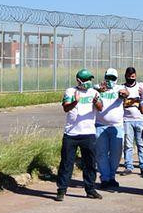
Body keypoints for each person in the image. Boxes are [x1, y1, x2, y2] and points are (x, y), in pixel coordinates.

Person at [55, 69, 104, 201]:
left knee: (90, 163)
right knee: (66, 163)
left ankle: (90, 189)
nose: (88, 82)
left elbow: (100, 108)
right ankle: (61, 190)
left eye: (90, 79)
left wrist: (96, 102)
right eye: (86, 80)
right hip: (71, 134)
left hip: (88, 133)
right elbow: (65, 108)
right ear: (78, 80)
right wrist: (75, 102)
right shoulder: (70, 91)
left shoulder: (94, 92)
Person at [94, 68, 129, 189]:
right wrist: (98, 89)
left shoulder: (119, 88)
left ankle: (112, 176)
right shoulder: (98, 88)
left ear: (117, 79)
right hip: (100, 125)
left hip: (116, 127)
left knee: (116, 153)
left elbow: (125, 92)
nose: (110, 81)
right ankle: (104, 178)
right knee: (101, 154)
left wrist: (124, 94)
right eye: (108, 78)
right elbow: (91, 89)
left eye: (113, 78)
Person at [121, 67, 143, 176]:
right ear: (126, 76)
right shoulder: (122, 88)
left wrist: (139, 97)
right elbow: (123, 103)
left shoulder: (141, 86)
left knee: (141, 144)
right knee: (128, 145)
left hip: (140, 119)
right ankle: (128, 166)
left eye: (132, 77)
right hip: (127, 120)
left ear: (135, 76)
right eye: (129, 77)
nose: (131, 78)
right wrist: (135, 101)